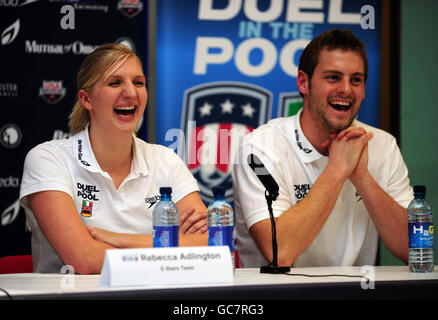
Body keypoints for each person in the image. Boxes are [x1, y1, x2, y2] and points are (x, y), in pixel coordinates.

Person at [19, 43, 207, 274]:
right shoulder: (49, 158)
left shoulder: (166, 160)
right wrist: (171, 246)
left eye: (138, 82)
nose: (130, 92)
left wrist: (117, 239)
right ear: (86, 100)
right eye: (115, 83)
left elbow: (210, 244)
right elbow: (84, 259)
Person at [232, 28, 413, 268]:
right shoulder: (259, 150)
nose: (346, 89)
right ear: (303, 82)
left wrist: (362, 177)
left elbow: (415, 249)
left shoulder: (383, 145)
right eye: (333, 77)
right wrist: (337, 170)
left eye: (356, 80)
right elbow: (280, 252)